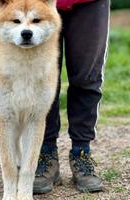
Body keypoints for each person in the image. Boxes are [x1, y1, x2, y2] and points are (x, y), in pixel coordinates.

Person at [33, 0, 110, 193]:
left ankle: (81, 152)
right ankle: (45, 153)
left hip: (89, 4)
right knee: (42, 80)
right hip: (37, 3)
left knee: (87, 77)